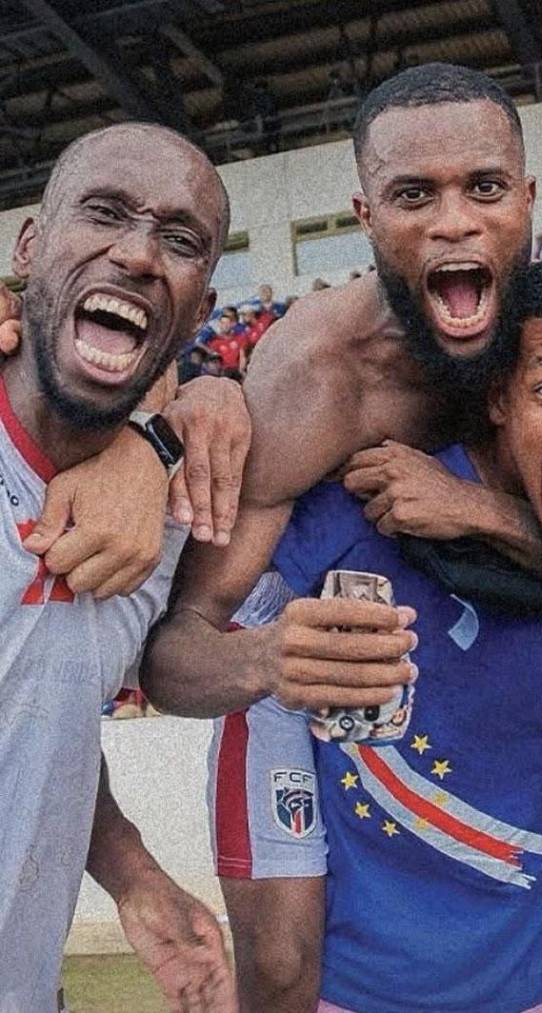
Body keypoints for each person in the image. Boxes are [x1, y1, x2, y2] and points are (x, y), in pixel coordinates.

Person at [135, 64, 542, 1010]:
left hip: (507, 715)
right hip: (316, 679)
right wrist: (270, 660)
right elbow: (177, 649)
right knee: (276, 971)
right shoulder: (323, 373)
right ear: (365, 215)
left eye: (483, 188)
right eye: (414, 195)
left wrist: (472, 507)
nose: (453, 222)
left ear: (527, 200)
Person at [0, 122, 236, 1010]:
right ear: (29, 247)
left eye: (178, 240)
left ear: (201, 308)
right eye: (103, 213)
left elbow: (34, 713)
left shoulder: (172, 523)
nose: (137, 253)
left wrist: (135, 876)